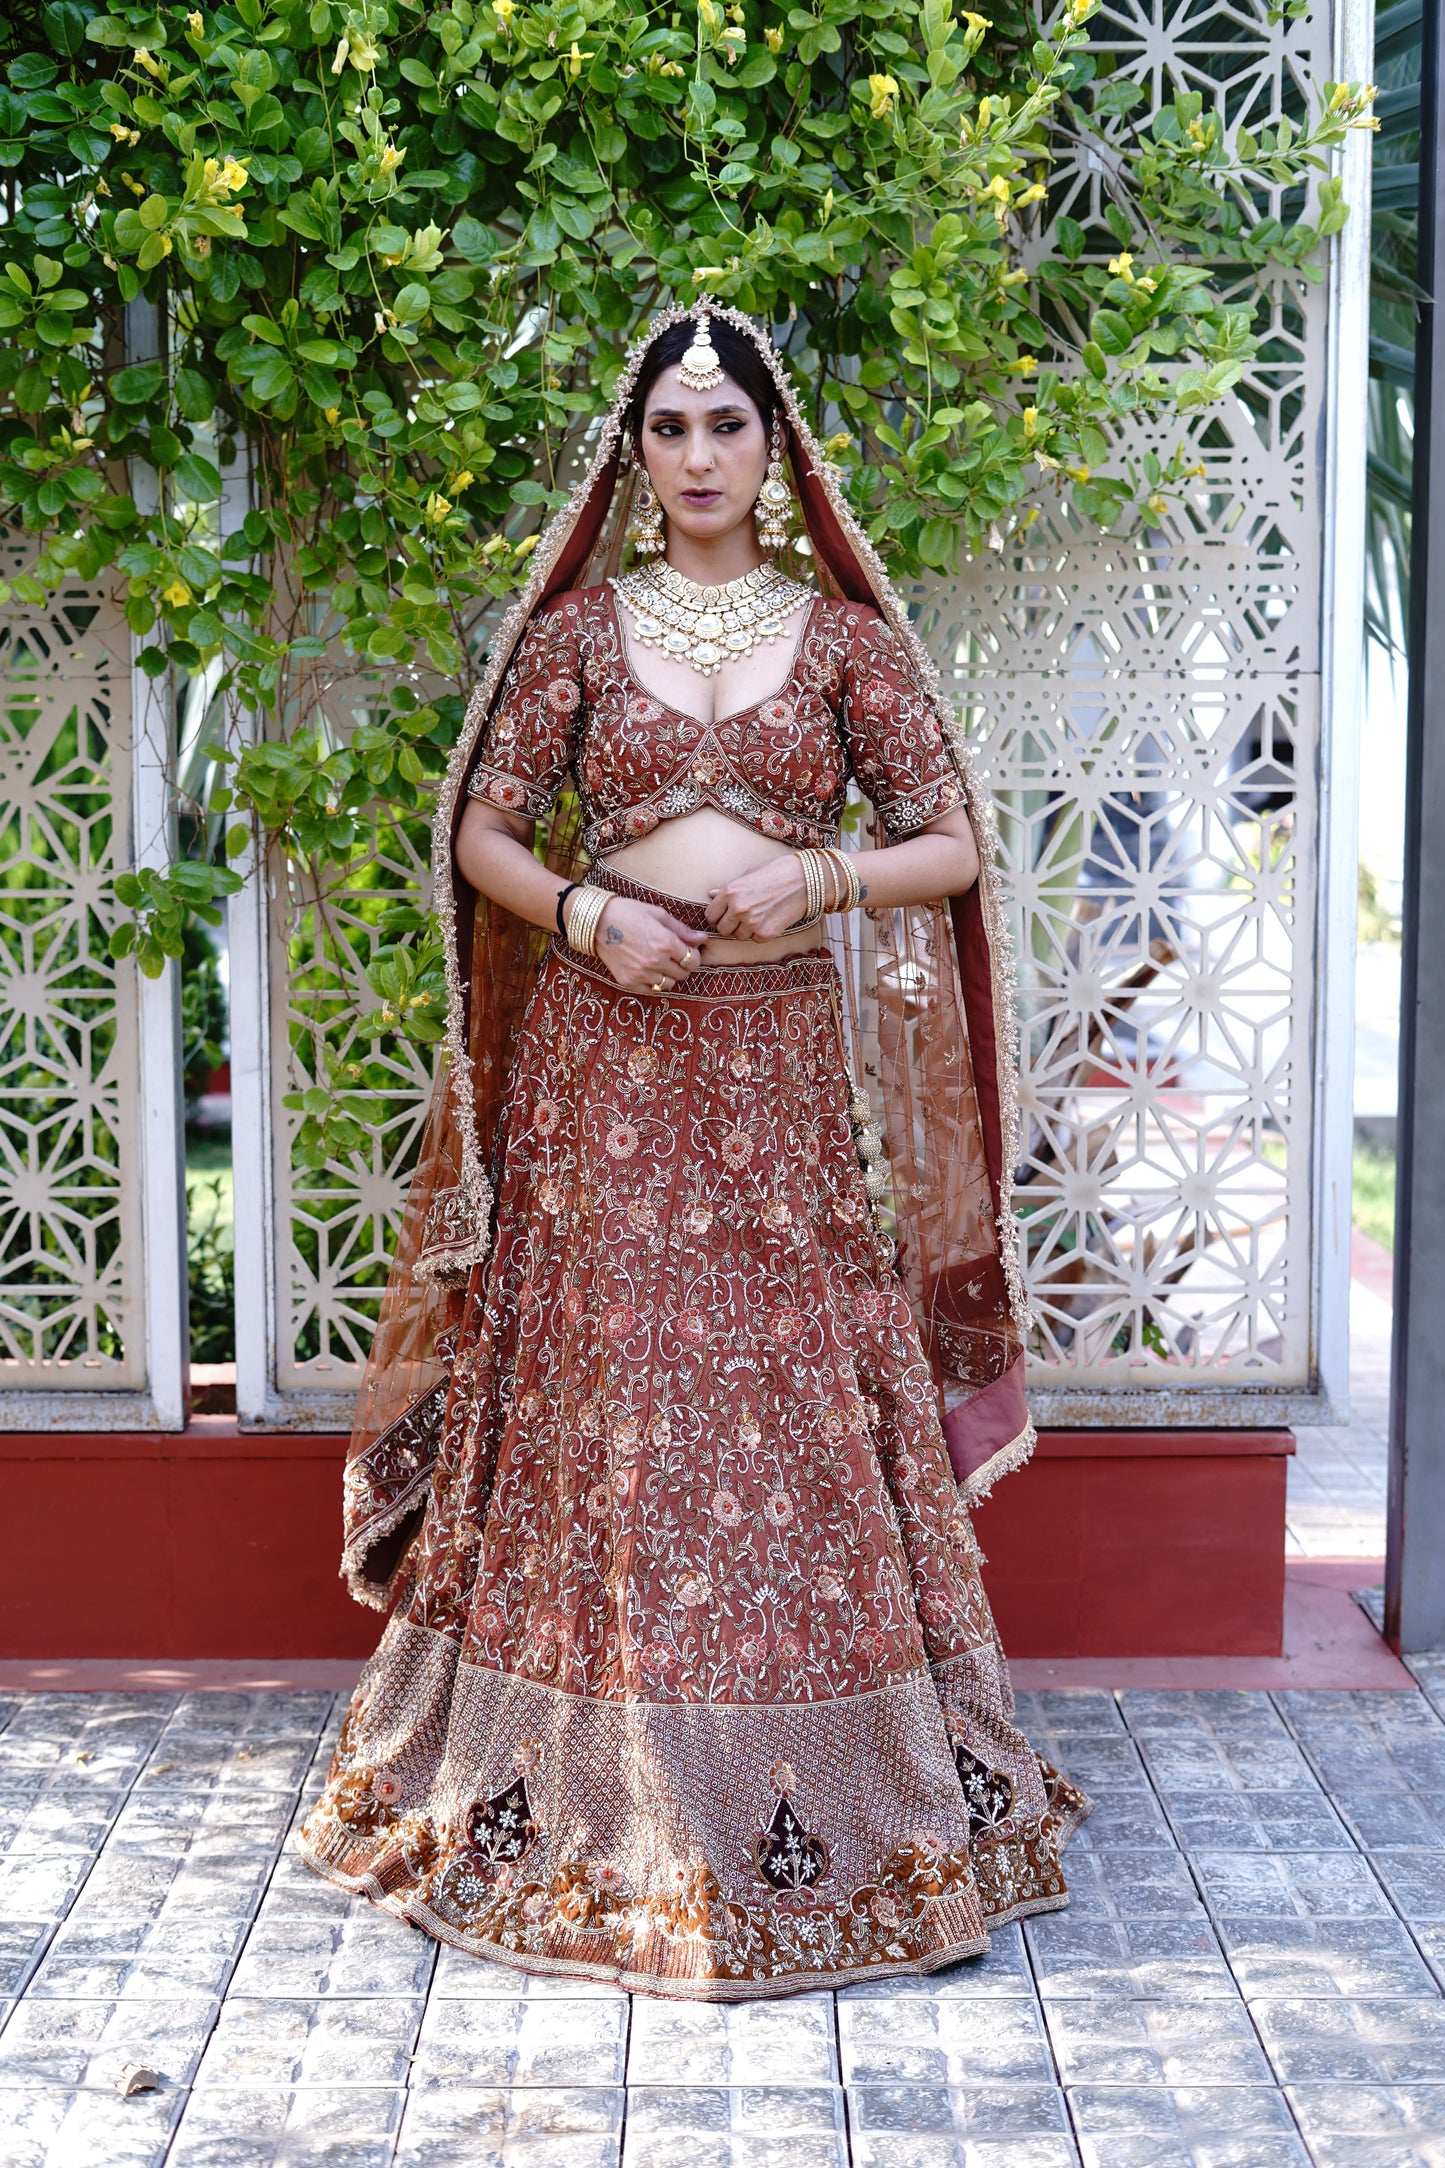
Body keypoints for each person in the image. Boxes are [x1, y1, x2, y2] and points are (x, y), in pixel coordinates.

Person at [299, 303, 1089, 1998]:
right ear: (634, 451)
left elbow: (948, 844)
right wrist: (588, 917)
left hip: (778, 1075)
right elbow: (484, 830)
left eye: (726, 425)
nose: (700, 455)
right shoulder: (577, 637)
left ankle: (850, 1799)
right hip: (603, 1073)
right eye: (670, 427)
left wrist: (820, 877)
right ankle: (604, 1795)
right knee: (609, 1399)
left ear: (772, 446)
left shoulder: (846, 642)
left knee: (782, 1399)